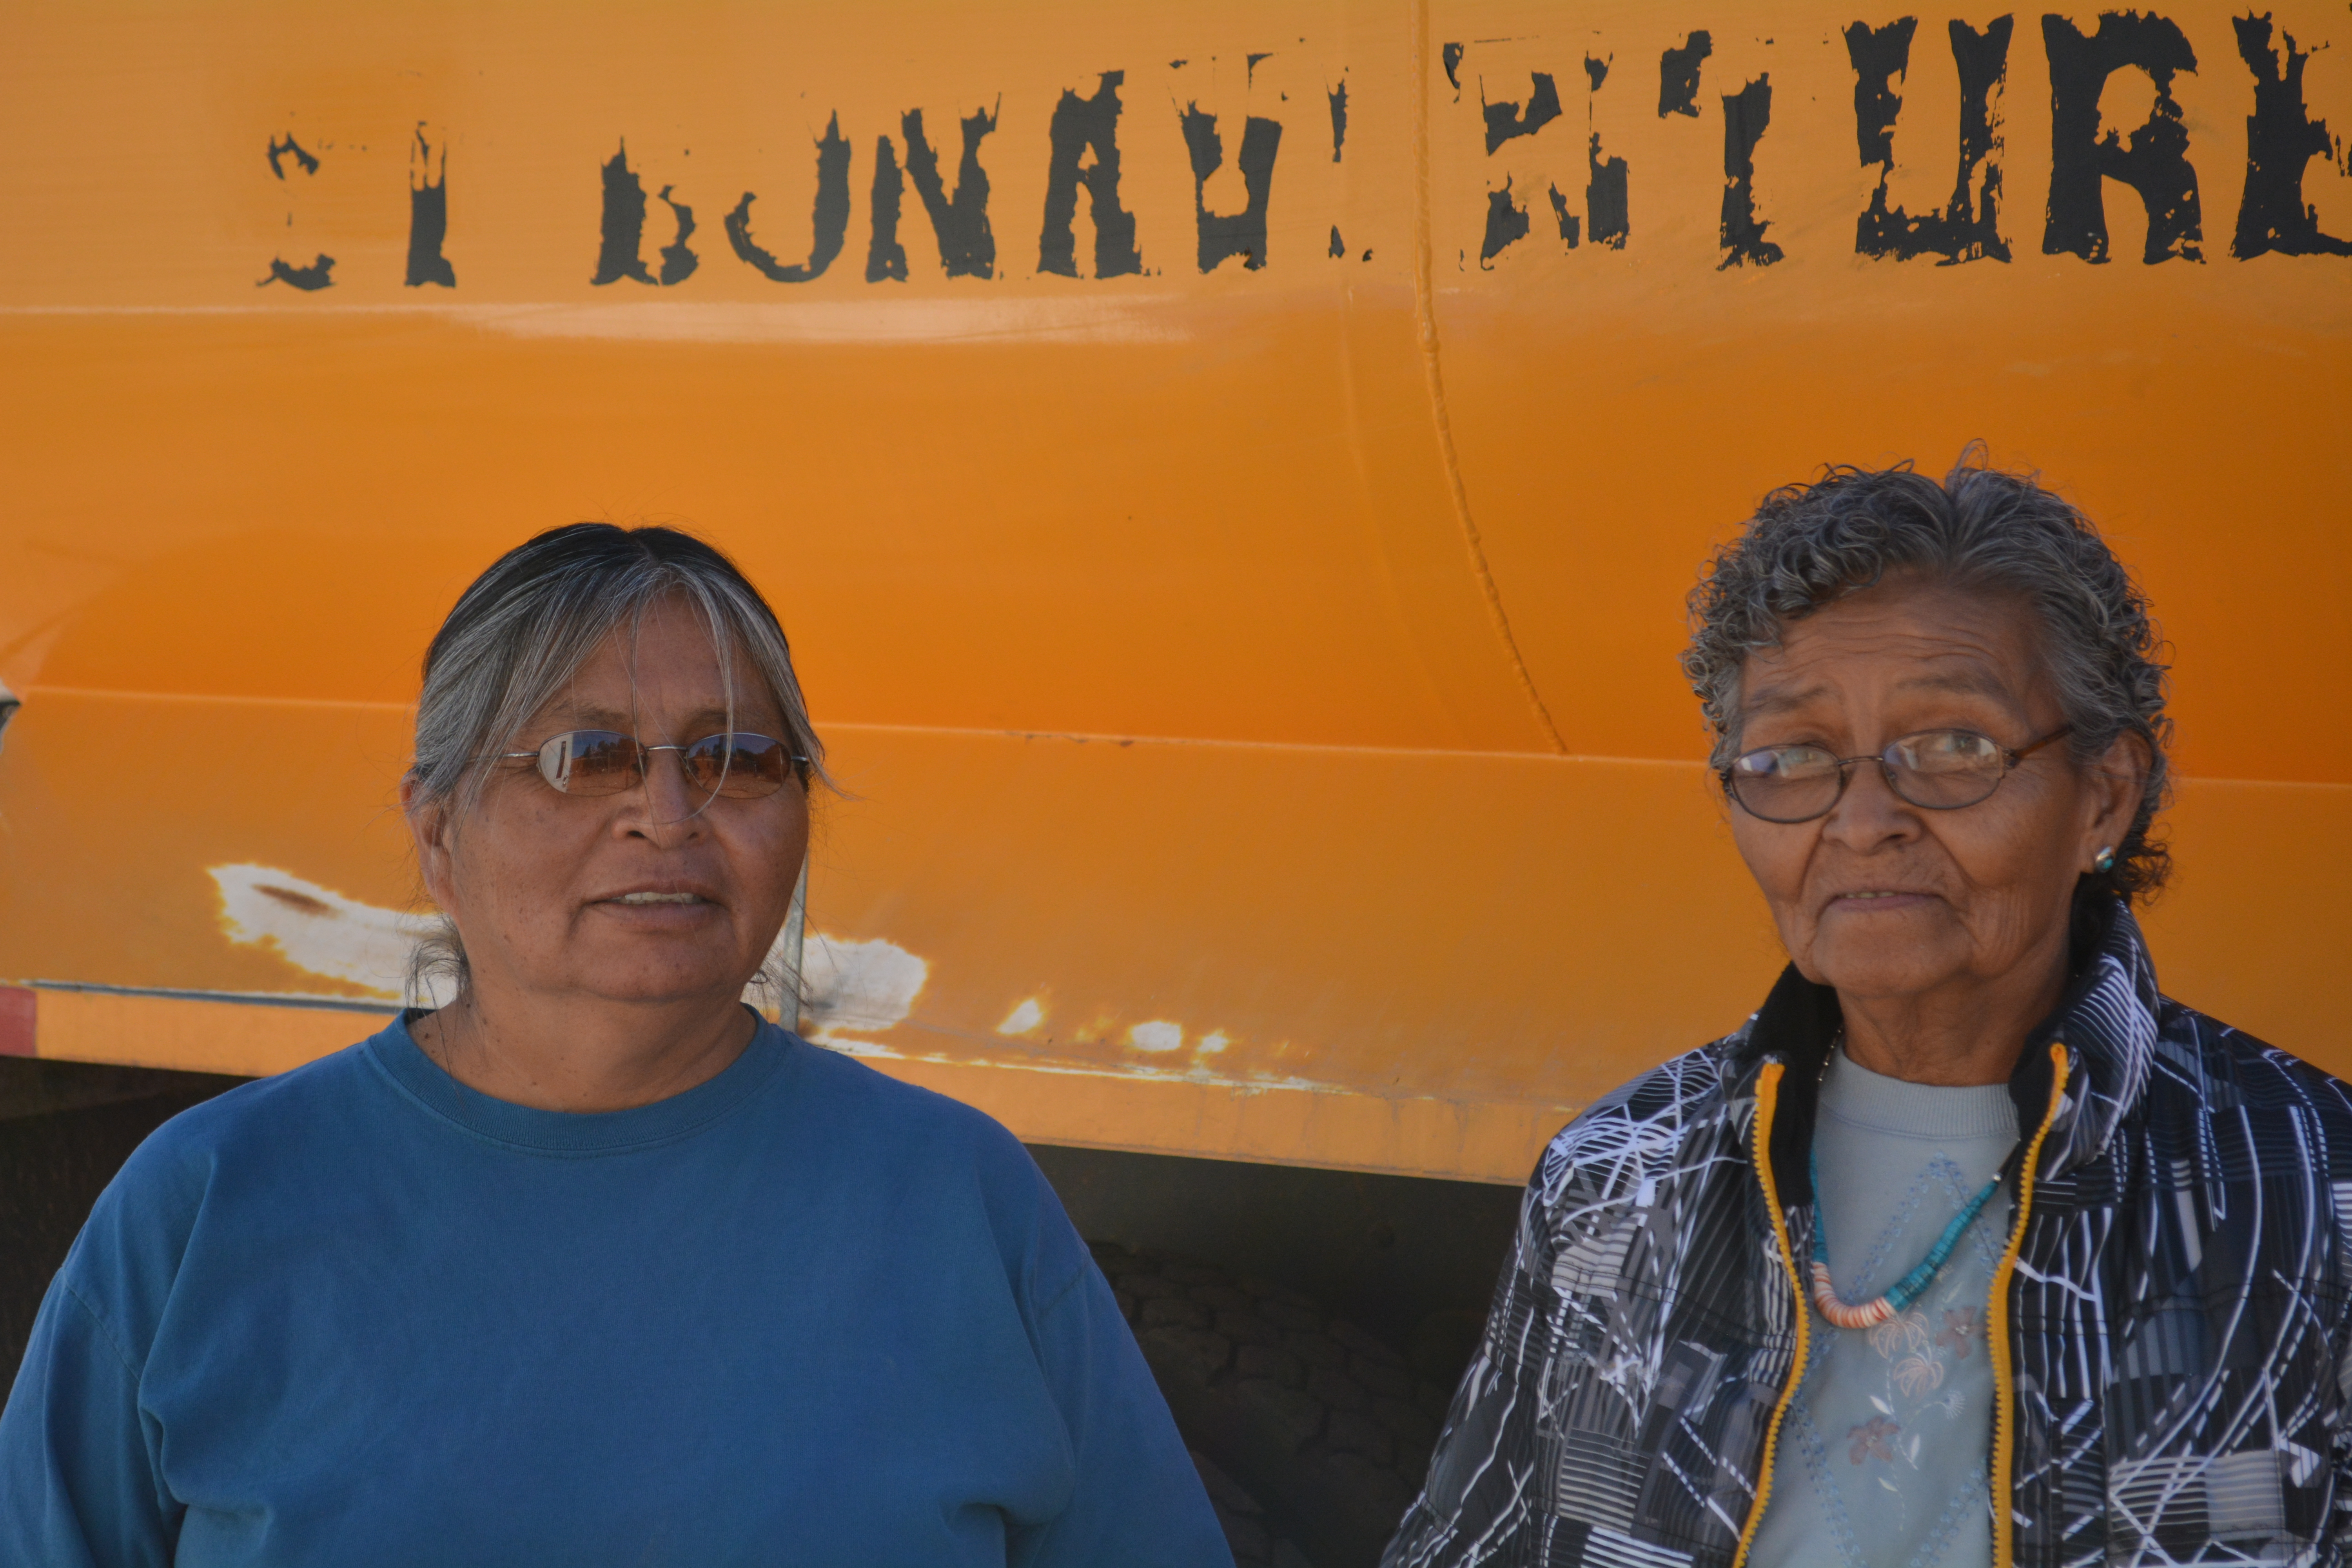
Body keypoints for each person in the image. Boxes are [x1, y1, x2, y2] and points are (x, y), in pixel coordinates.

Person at [0, 524, 1232, 1568]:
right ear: (438, 838)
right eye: (588, 759)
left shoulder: (956, 1195)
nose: (667, 814)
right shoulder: (208, 1204)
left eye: (737, 759)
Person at [1383, 458, 2352, 1568]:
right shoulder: (1621, 1178)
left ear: (2105, 795)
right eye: (1794, 758)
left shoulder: (2312, 1189)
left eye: (1953, 747)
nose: (1863, 820)